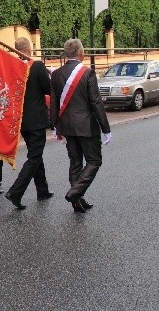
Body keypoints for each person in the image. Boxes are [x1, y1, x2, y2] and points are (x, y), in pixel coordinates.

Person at [49, 39, 111, 213]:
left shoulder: (56, 74)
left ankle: (77, 201)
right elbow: (96, 102)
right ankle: (74, 193)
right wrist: (106, 128)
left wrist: (54, 125)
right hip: (86, 126)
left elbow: (53, 103)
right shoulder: (88, 73)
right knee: (94, 161)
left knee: (75, 163)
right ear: (81, 53)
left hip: (67, 125)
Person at [1, 37, 53, 209]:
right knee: (34, 157)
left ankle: (42, 190)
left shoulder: (12, 67)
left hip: (22, 120)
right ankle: (16, 192)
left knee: (35, 154)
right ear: (29, 48)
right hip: (36, 119)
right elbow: (48, 88)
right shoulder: (36, 65)